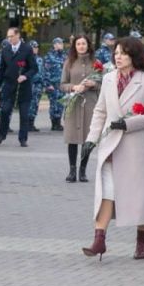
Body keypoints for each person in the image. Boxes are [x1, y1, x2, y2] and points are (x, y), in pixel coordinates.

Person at [79, 36, 144, 260]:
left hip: (134, 146)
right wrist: (90, 140)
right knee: (107, 192)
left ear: (134, 56)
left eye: (123, 53)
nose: (118, 57)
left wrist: (128, 123)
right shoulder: (107, 79)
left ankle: (141, 238)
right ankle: (99, 240)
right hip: (110, 145)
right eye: (116, 53)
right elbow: (100, 111)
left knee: (138, 195)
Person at [61, 35, 100, 183]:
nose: (81, 46)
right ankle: (72, 170)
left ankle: (82, 170)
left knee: (87, 138)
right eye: (78, 44)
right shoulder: (69, 63)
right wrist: (73, 87)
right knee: (72, 137)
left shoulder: (96, 63)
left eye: (84, 43)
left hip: (90, 103)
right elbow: (62, 84)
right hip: (74, 103)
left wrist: (94, 85)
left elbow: (104, 84)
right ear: (75, 46)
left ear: (88, 45)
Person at [0, 27, 38, 147]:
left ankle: (23, 139)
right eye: (8, 37)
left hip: (23, 88)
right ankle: (2, 134)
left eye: (11, 36)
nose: (9, 39)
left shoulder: (27, 49)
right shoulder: (5, 50)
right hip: (9, 87)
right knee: (4, 111)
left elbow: (34, 68)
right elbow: (2, 70)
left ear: (18, 35)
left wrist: (25, 76)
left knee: (24, 115)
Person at [44, 38, 67, 131]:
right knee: (54, 104)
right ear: (55, 45)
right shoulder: (49, 56)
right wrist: (47, 84)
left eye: (62, 43)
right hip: (53, 84)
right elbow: (46, 71)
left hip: (62, 84)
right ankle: (54, 123)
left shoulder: (64, 56)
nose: (61, 45)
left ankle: (58, 122)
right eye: (59, 43)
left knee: (61, 103)